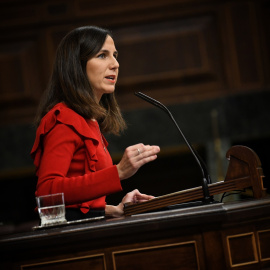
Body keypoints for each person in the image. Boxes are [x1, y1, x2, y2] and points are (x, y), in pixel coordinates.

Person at [30, 26, 160, 221]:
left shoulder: (88, 120)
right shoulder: (64, 119)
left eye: (115, 55)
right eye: (102, 55)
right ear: (77, 65)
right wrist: (118, 172)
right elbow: (48, 194)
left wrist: (114, 209)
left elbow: (78, 204)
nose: (115, 64)